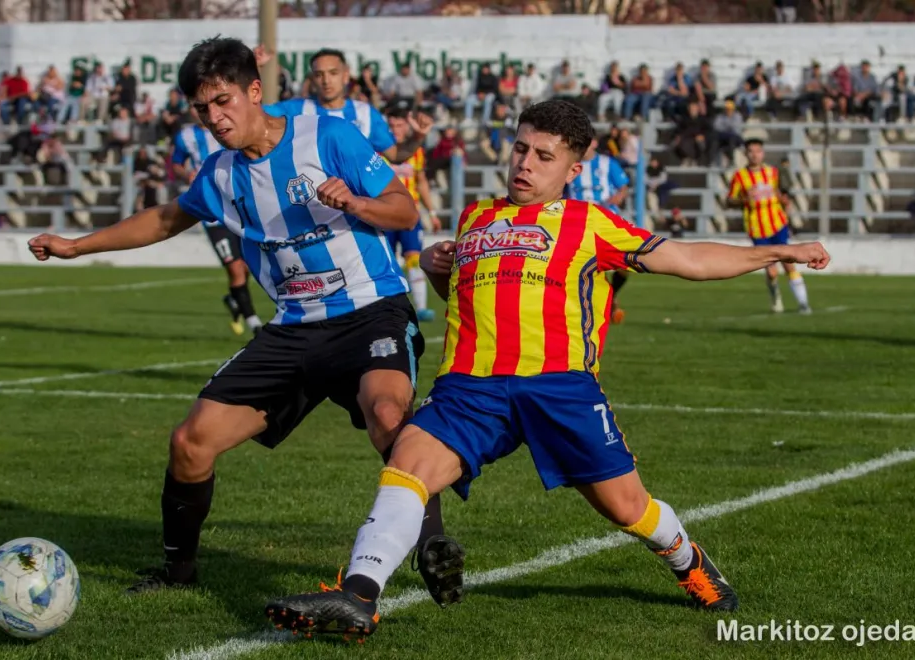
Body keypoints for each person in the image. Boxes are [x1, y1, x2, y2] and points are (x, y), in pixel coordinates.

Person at [265, 99, 831, 640]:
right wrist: (443, 268)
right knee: (407, 464)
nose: (525, 165)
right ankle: (359, 595)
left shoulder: (589, 222)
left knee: (627, 508)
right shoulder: (476, 218)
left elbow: (689, 259)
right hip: (470, 386)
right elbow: (463, 297)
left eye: (543, 156)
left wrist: (777, 253)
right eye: (520, 150)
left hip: (559, 387)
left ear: (573, 168)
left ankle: (689, 560)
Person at [27, 36, 463, 606]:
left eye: (224, 100)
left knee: (386, 413)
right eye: (202, 108)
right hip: (292, 329)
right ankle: (177, 572)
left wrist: (355, 203)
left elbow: (402, 207)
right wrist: (76, 246)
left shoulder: (324, 137)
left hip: (369, 312)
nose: (215, 117)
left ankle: (432, 546)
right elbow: (163, 219)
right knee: (190, 442)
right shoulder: (221, 174)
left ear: (255, 91)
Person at [171, 112, 262, 336]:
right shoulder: (185, 136)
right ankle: (254, 324)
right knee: (235, 268)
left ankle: (234, 299)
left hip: (238, 208)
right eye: (194, 106)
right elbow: (175, 164)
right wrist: (187, 174)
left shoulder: (230, 125)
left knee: (247, 265)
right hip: (212, 213)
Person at [260, 48, 428, 162]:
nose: (326, 81)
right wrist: (254, 69)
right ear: (313, 79)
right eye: (319, 75)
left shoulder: (365, 114)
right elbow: (255, 115)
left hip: (356, 209)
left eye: (333, 73)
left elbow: (396, 155)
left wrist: (418, 137)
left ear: (346, 76)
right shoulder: (295, 109)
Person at [728, 138, 812, 314]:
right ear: (746, 154)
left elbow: (783, 195)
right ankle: (776, 299)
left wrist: (784, 200)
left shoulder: (773, 172)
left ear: (763, 153)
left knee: (789, 264)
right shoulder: (740, 176)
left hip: (777, 224)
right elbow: (729, 200)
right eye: (751, 151)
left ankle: (803, 304)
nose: (754, 155)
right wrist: (744, 199)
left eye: (758, 151)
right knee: (771, 270)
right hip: (757, 228)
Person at [563, 134, 631, 324]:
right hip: (579, 223)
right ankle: (607, 306)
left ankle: (612, 299)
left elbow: (623, 186)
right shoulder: (571, 165)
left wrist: (619, 196)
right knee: (591, 268)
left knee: (624, 266)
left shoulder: (607, 163)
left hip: (608, 220)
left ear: (594, 143)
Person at [382, 103, 440, 322]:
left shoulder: (415, 151)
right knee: (386, 262)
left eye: (399, 125)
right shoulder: (378, 150)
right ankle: (387, 307)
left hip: (410, 215)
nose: (395, 129)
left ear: (407, 126)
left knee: (413, 258)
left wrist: (432, 212)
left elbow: (421, 182)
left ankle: (422, 308)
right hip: (384, 214)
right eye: (392, 125)